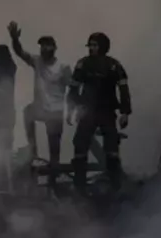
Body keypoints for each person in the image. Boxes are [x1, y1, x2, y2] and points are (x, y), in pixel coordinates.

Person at [68, 32, 132, 191]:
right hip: (87, 110)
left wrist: (125, 113)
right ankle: (80, 185)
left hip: (107, 111)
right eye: (90, 45)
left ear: (103, 47)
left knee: (111, 147)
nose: (91, 48)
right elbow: (73, 89)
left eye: (95, 45)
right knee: (80, 143)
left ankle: (115, 184)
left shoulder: (114, 65)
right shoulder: (83, 64)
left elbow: (124, 90)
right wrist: (72, 109)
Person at [8, 22, 72, 173]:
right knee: (28, 112)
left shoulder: (63, 67)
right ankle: (34, 152)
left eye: (47, 46)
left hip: (55, 111)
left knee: (54, 149)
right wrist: (15, 39)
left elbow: (72, 88)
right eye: (41, 46)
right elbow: (20, 53)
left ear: (54, 48)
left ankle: (54, 173)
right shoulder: (37, 61)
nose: (43, 49)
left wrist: (70, 110)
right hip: (40, 108)